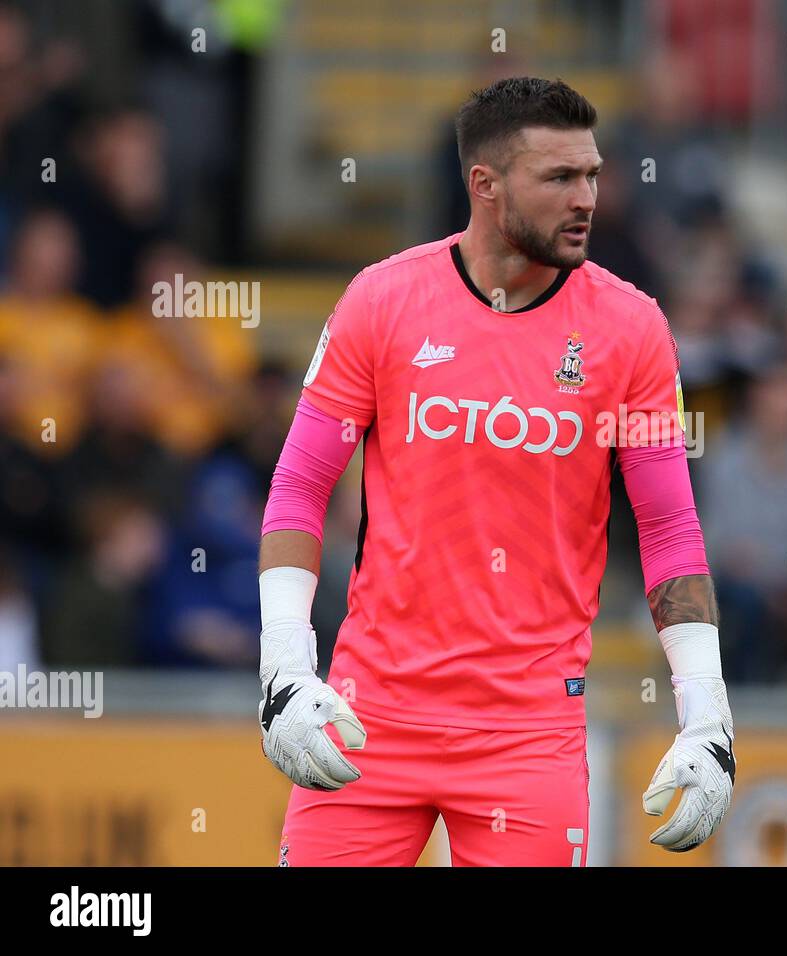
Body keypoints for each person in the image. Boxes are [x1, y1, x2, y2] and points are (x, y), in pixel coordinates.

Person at [257, 78, 734, 866]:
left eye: (592, 174)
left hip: (529, 735)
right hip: (370, 714)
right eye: (559, 178)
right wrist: (283, 664)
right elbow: (298, 488)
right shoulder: (382, 301)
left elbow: (669, 527)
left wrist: (706, 710)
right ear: (484, 185)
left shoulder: (633, 329)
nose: (587, 198)